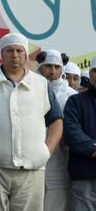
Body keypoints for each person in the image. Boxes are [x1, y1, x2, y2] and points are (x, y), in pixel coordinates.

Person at [0, 33, 63, 211]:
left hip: (32, 170)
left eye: (19, 50)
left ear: (26, 55)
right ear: (2, 53)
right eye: (9, 50)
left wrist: (46, 151)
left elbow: (56, 121)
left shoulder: (41, 84)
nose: (14, 55)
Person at [36, 49, 76, 211]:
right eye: (48, 66)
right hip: (31, 167)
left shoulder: (71, 96)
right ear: (39, 67)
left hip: (60, 168)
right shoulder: (28, 89)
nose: (52, 71)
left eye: (57, 67)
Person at [64, 56, 96, 210]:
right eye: (95, 71)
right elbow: (71, 132)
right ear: (90, 74)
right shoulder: (75, 101)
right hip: (85, 175)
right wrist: (92, 148)